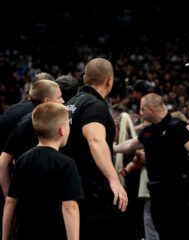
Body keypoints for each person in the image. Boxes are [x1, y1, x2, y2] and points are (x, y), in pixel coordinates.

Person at [113, 93, 189, 240]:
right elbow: (131, 144)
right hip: (157, 195)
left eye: (142, 109)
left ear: (150, 109)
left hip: (178, 194)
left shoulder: (178, 126)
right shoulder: (149, 131)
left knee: (183, 234)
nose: (140, 113)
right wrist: (112, 149)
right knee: (163, 234)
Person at [65, 57, 128, 240]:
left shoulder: (71, 103)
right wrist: (113, 179)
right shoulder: (95, 105)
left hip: (72, 183)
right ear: (109, 81)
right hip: (91, 190)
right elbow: (95, 140)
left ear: (84, 79)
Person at [2, 102, 83, 240]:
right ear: (62, 130)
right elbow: (70, 207)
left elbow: (10, 202)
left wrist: (5, 237)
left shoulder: (22, 160)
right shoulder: (66, 164)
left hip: (24, 233)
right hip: (53, 233)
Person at [0, 79, 64, 198]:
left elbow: (4, 161)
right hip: (39, 197)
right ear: (47, 101)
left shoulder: (23, 123)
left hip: (27, 197)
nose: (63, 101)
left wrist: (9, 198)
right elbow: (3, 162)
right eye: (59, 97)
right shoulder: (27, 124)